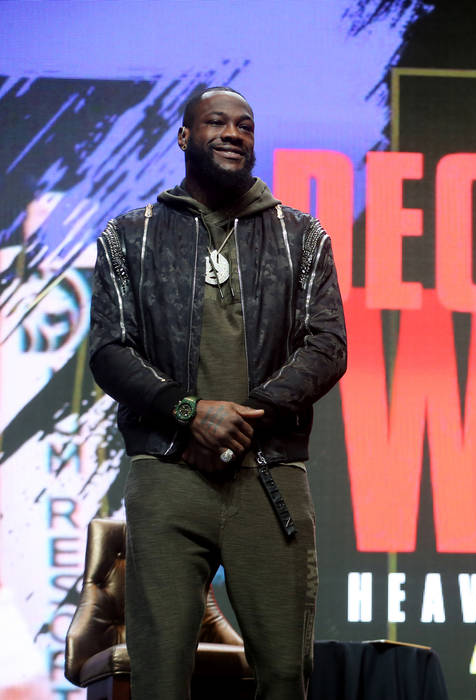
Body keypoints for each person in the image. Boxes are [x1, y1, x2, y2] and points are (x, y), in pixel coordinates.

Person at [88, 86, 346, 699]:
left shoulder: (302, 238)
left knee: (285, 673)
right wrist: (190, 412)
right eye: (216, 123)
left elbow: (327, 346)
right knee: (159, 673)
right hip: (169, 474)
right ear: (184, 136)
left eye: (246, 126)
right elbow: (109, 350)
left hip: (269, 474)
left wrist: (248, 415)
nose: (233, 133)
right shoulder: (130, 237)